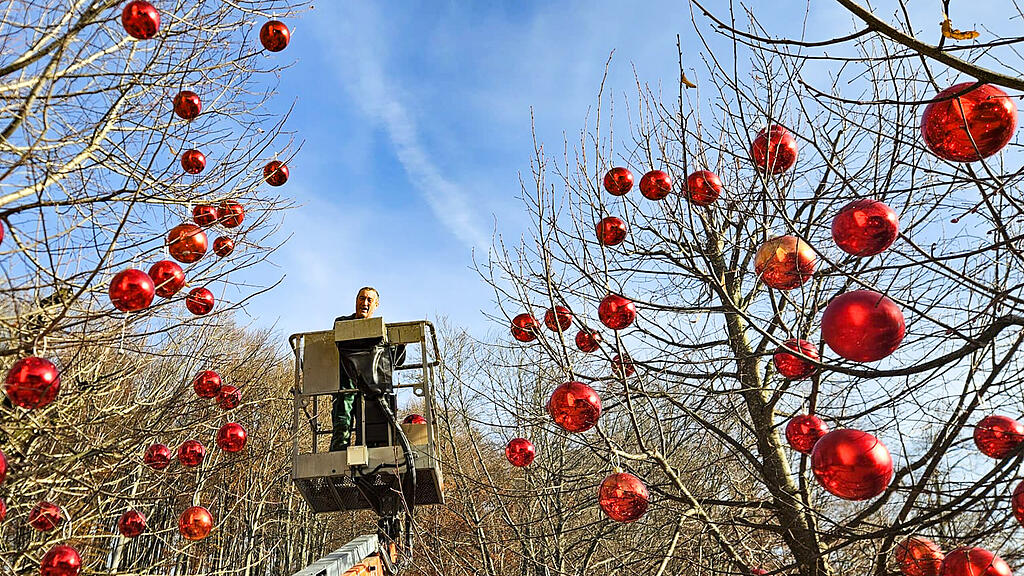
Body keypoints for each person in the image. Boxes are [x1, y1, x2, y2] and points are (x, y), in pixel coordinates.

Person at [330, 287, 404, 451]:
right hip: (345, 385)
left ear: (376, 304)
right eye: (361, 298)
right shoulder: (343, 323)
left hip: (371, 389)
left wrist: (400, 345)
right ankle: (338, 458)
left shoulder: (382, 333)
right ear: (356, 301)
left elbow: (395, 360)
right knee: (342, 423)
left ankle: (369, 461)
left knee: (371, 428)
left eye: (369, 300)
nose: (365, 303)